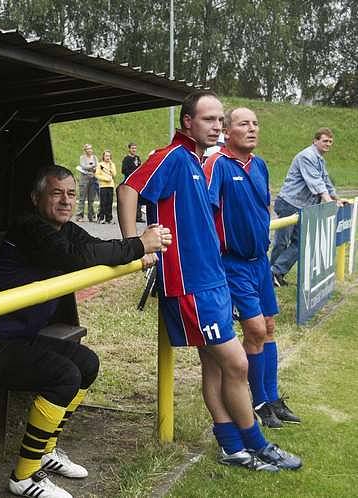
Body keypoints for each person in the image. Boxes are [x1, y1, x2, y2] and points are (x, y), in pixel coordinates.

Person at [117, 91, 302, 472]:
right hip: (191, 287)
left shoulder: (197, 160)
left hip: (213, 280)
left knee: (217, 368)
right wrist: (135, 245)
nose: (217, 126)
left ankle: (233, 448)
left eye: (220, 119)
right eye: (208, 119)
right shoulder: (171, 156)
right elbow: (128, 188)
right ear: (187, 122)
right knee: (235, 364)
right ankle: (258, 444)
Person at [0, 165, 171, 498]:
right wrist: (139, 244)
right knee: (64, 375)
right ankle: (25, 474)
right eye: (56, 193)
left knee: (86, 364)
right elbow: (77, 257)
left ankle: (44, 451)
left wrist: (138, 252)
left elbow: (94, 249)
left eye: (72, 193)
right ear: (36, 199)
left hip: (17, 336)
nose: (66, 200)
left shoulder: (64, 228)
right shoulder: (30, 228)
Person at [203, 108, 301, 430]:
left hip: (260, 262)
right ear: (227, 132)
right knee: (256, 330)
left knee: (269, 327)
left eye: (255, 123)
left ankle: (271, 398)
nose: (252, 128)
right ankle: (257, 401)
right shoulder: (216, 165)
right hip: (233, 264)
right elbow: (205, 214)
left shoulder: (259, 165)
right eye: (244, 123)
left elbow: (263, 208)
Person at [270, 128, 343, 287]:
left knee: (300, 243)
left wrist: (336, 198)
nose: (328, 144)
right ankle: (270, 276)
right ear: (315, 140)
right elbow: (315, 182)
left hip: (303, 207)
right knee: (281, 242)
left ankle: (275, 272)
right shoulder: (307, 156)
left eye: (330, 142)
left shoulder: (320, 160)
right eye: (325, 141)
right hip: (290, 203)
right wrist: (328, 200)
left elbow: (325, 181)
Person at [121, 142, 145, 222]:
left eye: (135, 148)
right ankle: (129, 217)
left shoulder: (137, 158)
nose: (134, 150)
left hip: (137, 182)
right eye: (132, 148)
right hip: (129, 182)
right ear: (129, 149)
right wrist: (133, 173)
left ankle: (138, 216)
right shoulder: (126, 159)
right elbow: (124, 170)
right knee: (130, 200)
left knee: (138, 200)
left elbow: (140, 168)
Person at [75, 143, 98, 222]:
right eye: (88, 149)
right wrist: (92, 167)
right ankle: (79, 216)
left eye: (90, 148)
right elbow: (83, 166)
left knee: (91, 199)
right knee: (82, 198)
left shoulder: (94, 157)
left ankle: (91, 215)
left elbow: (97, 166)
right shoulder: (82, 157)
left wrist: (92, 168)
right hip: (84, 179)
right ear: (85, 150)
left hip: (93, 179)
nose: (90, 150)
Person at [95, 149, 116, 223]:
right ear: (103, 156)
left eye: (109, 156)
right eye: (106, 156)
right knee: (103, 202)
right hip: (103, 185)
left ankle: (109, 218)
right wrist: (105, 179)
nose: (108, 157)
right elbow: (97, 175)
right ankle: (101, 217)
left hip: (110, 185)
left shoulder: (112, 164)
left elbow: (114, 174)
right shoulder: (100, 164)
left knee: (109, 202)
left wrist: (110, 165)